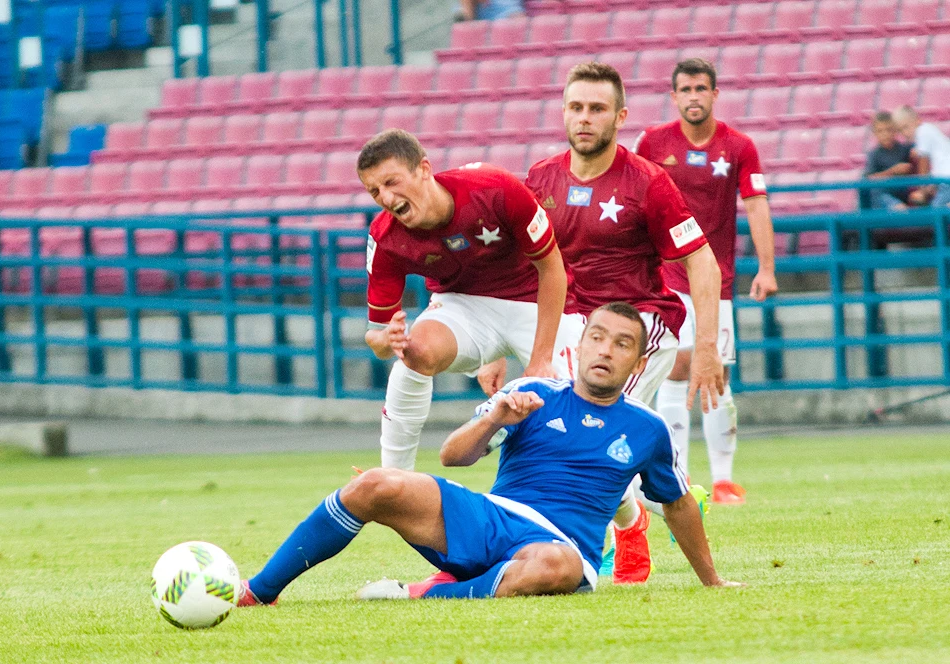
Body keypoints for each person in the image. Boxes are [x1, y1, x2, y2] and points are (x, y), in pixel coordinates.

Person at [236, 303, 741, 606]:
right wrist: (495, 417)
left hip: (561, 547)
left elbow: (676, 503)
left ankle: (419, 593)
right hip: (489, 519)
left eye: (623, 344)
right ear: (581, 345)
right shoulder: (531, 393)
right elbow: (452, 458)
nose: (607, 351)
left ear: (638, 360)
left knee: (557, 566)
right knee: (374, 484)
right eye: (599, 338)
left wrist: (712, 581)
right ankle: (259, 590)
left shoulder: (648, 428)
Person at [478, 61, 723, 584]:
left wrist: (706, 348)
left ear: (620, 117)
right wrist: (493, 347)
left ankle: (654, 505)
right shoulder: (540, 179)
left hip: (641, 324)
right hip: (570, 325)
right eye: (576, 107)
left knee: (593, 430)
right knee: (569, 434)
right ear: (563, 111)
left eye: (597, 108)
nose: (585, 118)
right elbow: (510, 268)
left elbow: (701, 259)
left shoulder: (648, 183)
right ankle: (639, 513)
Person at [358, 129, 584, 472]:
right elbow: (376, 336)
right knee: (413, 352)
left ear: (424, 168)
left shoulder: (495, 188)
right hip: (464, 304)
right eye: (375, 191)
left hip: (536, 302)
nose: (386, 198)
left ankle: (632, 513)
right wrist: (387, 341)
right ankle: (394, 480)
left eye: (392, 182)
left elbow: (551, 268)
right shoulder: (385, 237)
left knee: (582, 415)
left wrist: (538, 361)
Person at [637, 58, 778, 506]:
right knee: (675, 369)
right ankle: (675, 478)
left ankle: (722, 480)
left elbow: (756, 205)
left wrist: (768, 267)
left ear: (715, 94)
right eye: (686, 89)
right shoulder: (652, 143)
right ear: (673, 95)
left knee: (716, 374)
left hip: (716, 279)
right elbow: (633, 200)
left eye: (702, 88)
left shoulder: (738, 146)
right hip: (666, 277)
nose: (694, 96)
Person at [892, 105, 950, 209]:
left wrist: (922, 190)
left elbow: (923, 165)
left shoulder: (922, 132)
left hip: (946, 181)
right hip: (943, 180)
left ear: (917, 120)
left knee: (936, 211)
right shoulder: (929, 130)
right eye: (900, 130)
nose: (904, 133)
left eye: (906, 127)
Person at [861, 111, 916, 212]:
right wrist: (893, 171)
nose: (885, 134)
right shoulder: (874, 154)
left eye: (888, 130)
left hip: (904, 194)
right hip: (884, 198)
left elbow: (919, 157)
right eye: (880, 131)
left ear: (895, 130)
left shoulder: (905, 149)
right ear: (875, 133)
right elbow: (869, 179)